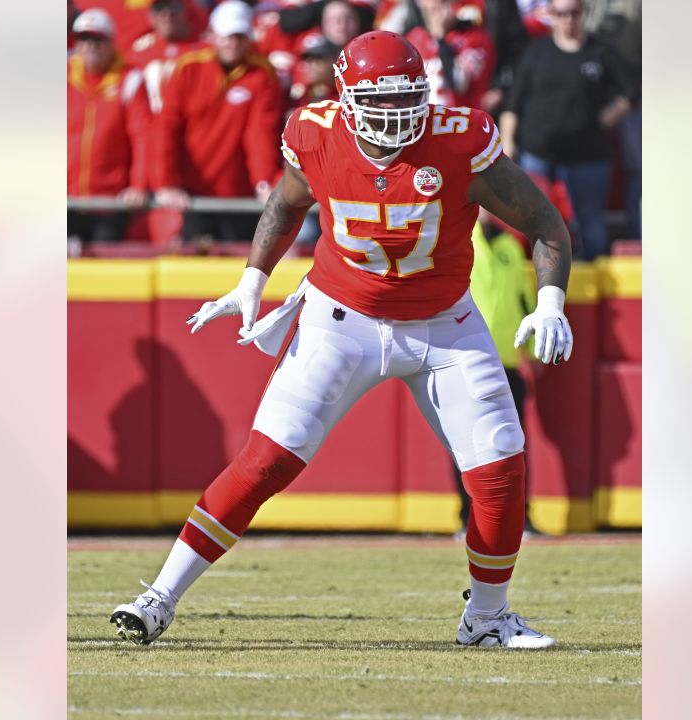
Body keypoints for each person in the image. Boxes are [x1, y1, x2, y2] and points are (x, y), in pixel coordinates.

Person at [112, 30, 573, 649]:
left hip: (444, 325)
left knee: (498, 463)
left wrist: (551, 300)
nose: (394, 116)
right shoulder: (314, 131)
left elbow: (544, 222)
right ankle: (159, 596)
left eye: (406, 100)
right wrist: (253, 279)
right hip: (341, 318)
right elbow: (284, 203)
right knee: (270, 456)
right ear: (346, 97)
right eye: (379, 103)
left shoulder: (459, 140)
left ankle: (487, 618)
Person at [499, 0, 637, 259]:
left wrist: (611, 114)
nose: (568, 20)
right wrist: (507, 143)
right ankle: (541, 283)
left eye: (574, 13)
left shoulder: (600, 51)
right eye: (561, 14)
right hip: (538, 154)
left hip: (588, 156)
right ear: (552, 15)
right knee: (534, 222)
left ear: (583, 13)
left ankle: (593, 292)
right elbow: (512, 102)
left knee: (590, 224)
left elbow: (633, 87)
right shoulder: (535, 52)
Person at [152, 1, 285, 243]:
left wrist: (263, 180)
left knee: (239, 265)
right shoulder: (188, 67)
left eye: (239, 36)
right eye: (226, 36)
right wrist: (167, 182)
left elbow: (260, 133)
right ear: (213, 35)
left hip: (240, 192)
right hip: (192, 192)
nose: (232, 43)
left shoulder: (261, 74)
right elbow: (167, 127)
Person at [452, 210, 541, 539]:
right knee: (466, 445)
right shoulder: (460, 238)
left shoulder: (511, 245)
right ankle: (467, 517)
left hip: (507, 362)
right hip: (468, 359)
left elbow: (524, 301)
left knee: (513, 446)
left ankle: (521, 518)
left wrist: (532, 351)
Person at [67, 8, 149, 243]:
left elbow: (142, 136)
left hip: (109, 203)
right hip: (65, 202)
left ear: (111, 43)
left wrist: (138, 184)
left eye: (98, 39)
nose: (91, 45)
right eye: (85, 39)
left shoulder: (130, 80)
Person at [406, 0, 495, 110]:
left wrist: (441, 39)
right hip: (424, 120)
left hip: (461, 120)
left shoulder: (474, 38)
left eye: (444, 2)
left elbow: (457, 83)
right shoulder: (414, 38)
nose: (436, 4)